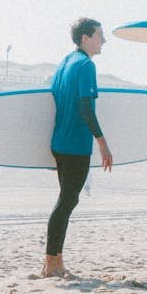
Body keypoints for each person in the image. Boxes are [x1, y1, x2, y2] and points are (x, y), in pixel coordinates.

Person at [42, 18, 113, 279]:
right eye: (99, 35)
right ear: (85, 38)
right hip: (75, 145)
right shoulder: (86, 65)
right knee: (66, 202)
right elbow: (86, 108)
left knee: (67, 200)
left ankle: (56, 262)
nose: (103, 41)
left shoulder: (64, 64)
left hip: (59, 143)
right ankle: (50, 263)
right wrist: (103, 143)